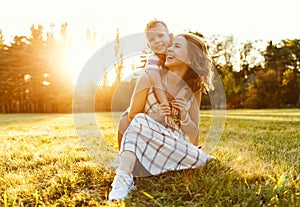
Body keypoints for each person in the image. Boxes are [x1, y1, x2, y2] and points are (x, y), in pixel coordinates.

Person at [108, 33, 215, 201]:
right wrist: (156, 117)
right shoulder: (148, 78)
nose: (169, 49)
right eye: (171, 45)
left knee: (200, 158)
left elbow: (193, 132)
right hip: (144, 146)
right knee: (139, 120)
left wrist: (185, 116)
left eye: (177, 46)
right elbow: (131, 117)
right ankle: (123, 178)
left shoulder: (193, 89)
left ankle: (198, 157)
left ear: (190, 59)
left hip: (171, 146)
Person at [116, 19, 190, 152]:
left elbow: (189, 81)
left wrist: (180, 97)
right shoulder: (153, 59)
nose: (157, 41)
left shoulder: (179, 55)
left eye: (161, 35)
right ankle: (123, 153)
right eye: (151, 39)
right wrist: (166, 106)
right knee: (125, 119)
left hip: (168, 102)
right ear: (149, 45)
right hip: (152, 101)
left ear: (170, 37)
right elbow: (156, 83)